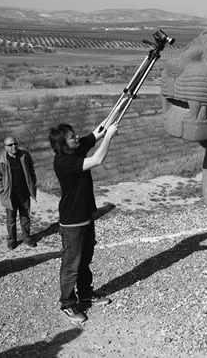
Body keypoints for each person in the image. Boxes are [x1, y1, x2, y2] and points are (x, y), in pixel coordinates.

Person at [48, 119, 118, 324]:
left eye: (75, 134)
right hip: (73, 222)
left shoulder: (76, 149)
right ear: (63, 145)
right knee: (72, 264)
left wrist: (121, 104)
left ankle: (86, 293)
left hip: (86, 217)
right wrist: (109, 137)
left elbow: (98, 131)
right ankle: (68, 304)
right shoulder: (63, 162)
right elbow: (97, 159)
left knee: (85, 260)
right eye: (72, 137)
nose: (77, 137)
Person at [0, 136, 37, 250]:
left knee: (25, 217)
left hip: (24, 193)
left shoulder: (24, 155)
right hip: (10, 195)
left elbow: (31, 170)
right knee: (11, 219)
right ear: (5, 147)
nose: (13, 146)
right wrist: (1, 191)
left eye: (15, 144)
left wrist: (33, 182)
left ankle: (27, 237)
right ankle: (12, 240)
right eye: (10, 145)